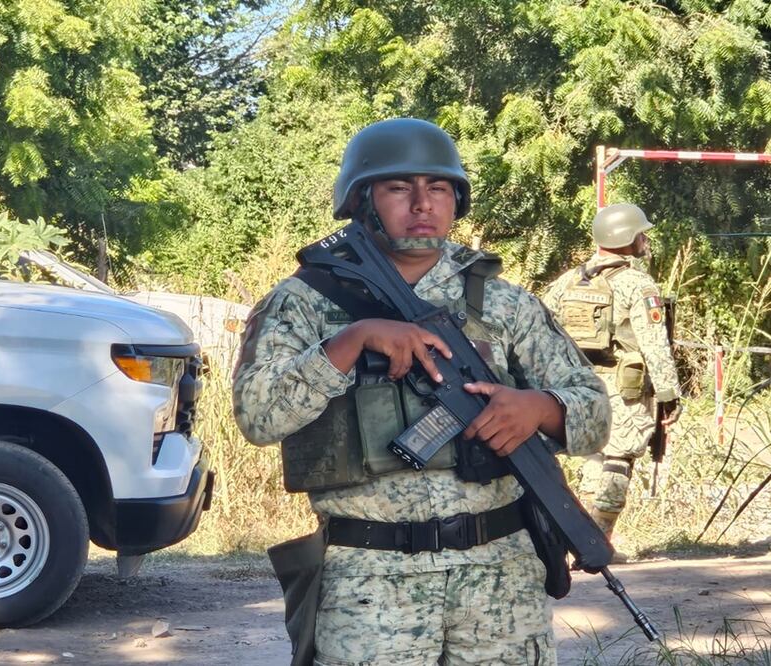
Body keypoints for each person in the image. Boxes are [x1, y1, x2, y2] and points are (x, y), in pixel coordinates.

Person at [232, 118, 610, 666]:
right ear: (360, 201)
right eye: (397, 188)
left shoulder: (503, 303)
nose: (422, 204)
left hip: (500, 578)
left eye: (438, 188)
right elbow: (257, 417)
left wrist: (539, 409)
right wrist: (351, 342)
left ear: (457, 201)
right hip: (369, 581)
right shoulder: (305, 301)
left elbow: (593, 412)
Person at [544, 203, 682, 562]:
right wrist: (669, 394)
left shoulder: (568, 281)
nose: (644, 240)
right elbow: (655, 344)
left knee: (593, 458)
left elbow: (542, 330)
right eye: (641, 234)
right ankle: (598, 543)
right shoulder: (638, 284)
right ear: (627, 237)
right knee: (620, 458)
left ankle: (580, 540)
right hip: (626, 389)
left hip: (578, 386)